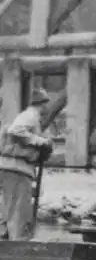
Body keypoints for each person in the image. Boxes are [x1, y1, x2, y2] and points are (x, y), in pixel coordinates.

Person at [0, 88, 54, 240]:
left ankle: (5, 242)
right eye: (45, 104)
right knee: (18, 212)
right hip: (17, 168)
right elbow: (15, 130)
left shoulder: (30, 117)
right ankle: (17, 247)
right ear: (42, 104)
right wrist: (40, 141)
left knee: (8, 210)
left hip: (14, 168)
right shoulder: (30, 116)